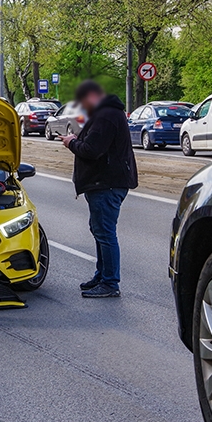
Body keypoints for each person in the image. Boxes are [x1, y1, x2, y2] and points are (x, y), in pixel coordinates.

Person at [61, 80, 138, 298]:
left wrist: (71, 143)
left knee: (105, 232)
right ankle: (102, 275)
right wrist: (78, 139)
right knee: (99, 230)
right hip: (105, 182)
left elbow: (92, 150)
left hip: (106, 183)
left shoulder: (105, 116)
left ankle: (110, 282)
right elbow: (96, 143)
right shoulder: (107, 114)